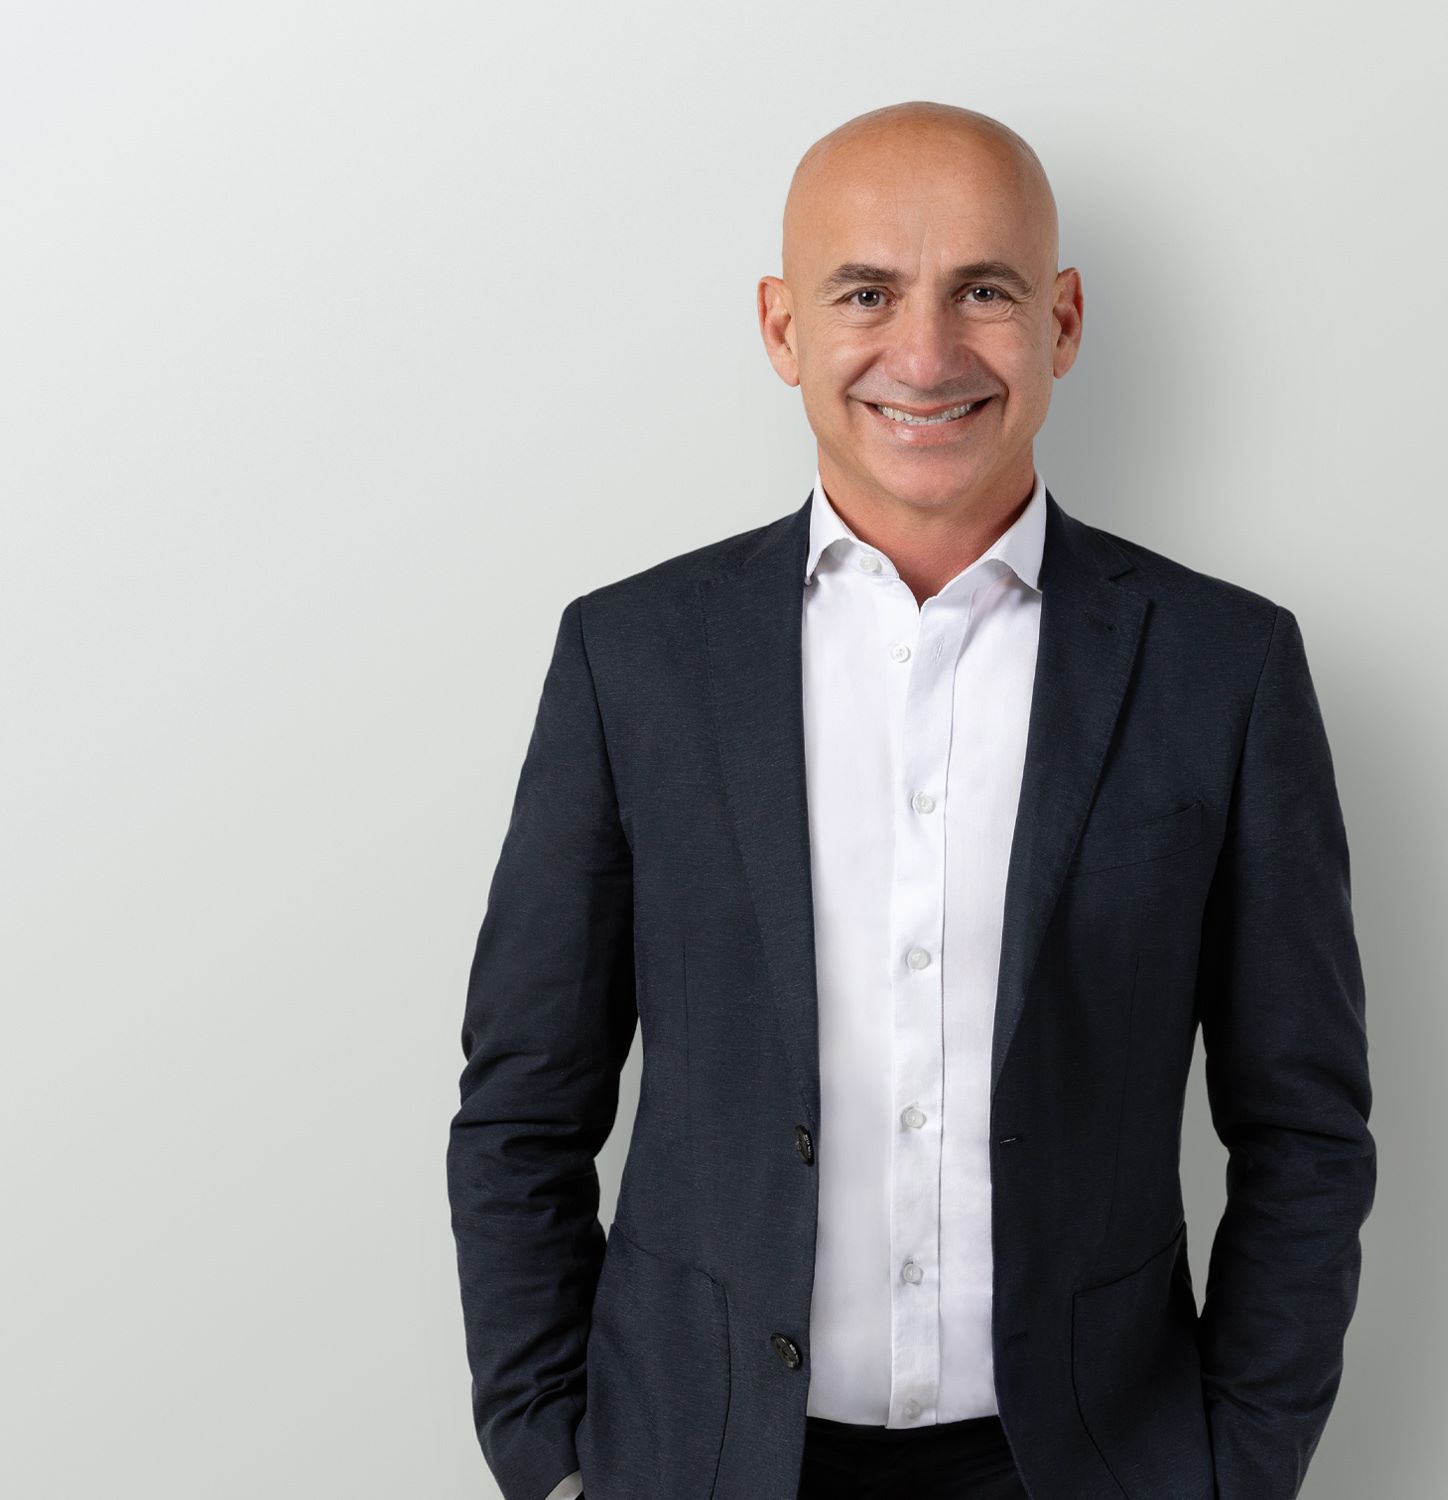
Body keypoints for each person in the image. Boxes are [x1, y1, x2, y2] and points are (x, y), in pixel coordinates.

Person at [446, 100, 1375, 1500]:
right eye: (866, 293)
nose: (926, 355)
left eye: (983, 292)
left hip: (1092, 1464)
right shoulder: (631, 660)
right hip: (701, 1462)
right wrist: (551, 1459)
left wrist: (1236, 1470)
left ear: (1063, 321)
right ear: (784, 329)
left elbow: (1303, 1129)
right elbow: (524, 1102)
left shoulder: (1223, 669)